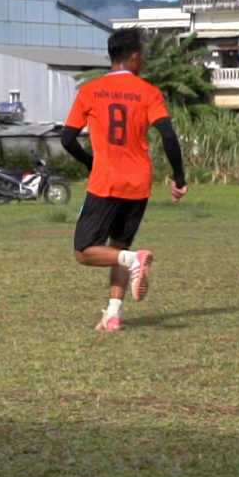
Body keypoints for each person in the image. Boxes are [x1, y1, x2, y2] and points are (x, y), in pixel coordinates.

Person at [61, 28, 188, 332]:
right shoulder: (148, 92)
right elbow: (168, 135)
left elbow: (67, 139)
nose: (143, 60)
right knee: (119, 248)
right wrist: (179, 176)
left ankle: (135, 261)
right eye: (142, 55)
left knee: (84, 251)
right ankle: (114, 314)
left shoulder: (90, 91)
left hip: (106, 181)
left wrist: (90, 162)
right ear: (133, 56)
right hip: (139, 183)